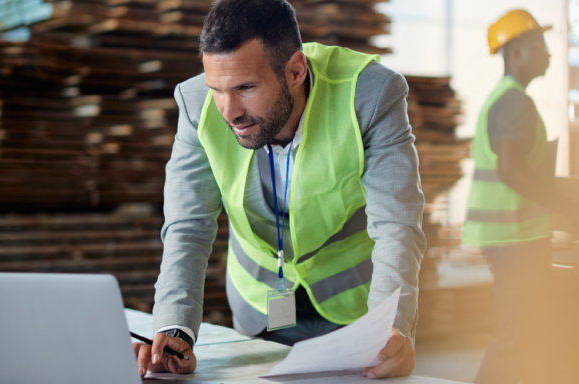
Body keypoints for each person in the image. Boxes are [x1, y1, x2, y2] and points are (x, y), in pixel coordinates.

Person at [134, 0, 426, 379]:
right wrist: (175, 327)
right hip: (259, 306)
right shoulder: (196, 106)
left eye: (245, 87)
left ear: (294, 71)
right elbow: (188, 226)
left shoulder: (370, 95)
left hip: (357, 306)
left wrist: (391, 326)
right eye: (217, 89)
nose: (229, 111)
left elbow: (397, 224)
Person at [463, 9, 579, 384]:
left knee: (527, 333)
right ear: (516, 54)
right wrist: (572, 209)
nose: (549, 54)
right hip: (516, 239)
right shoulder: (514, 102)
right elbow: (511, 170)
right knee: (519, 335)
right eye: (540, 46)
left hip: (513, 238)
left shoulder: (504, 99)